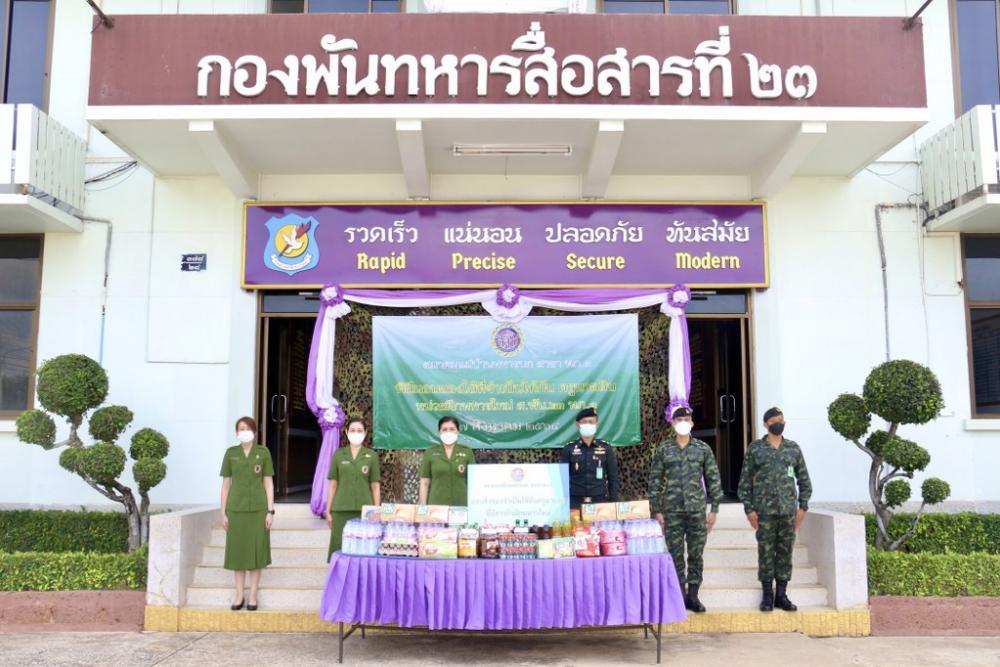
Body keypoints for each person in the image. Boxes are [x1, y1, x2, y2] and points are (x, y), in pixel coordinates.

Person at [647, 405, 723, 613]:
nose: (683, 423)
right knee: (675, 554)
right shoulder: (664, 449)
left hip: (696, 510)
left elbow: (713, 479)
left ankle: (694, 596)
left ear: (692, 423)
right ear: (673, 424)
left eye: (686, 420)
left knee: (696, 554)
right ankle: (679, 595)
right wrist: (657, 510)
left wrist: (714, 509)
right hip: (672, 512)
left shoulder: (702, 449)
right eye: (679, 420)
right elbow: (655, 481)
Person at [738, 406, 813, 612]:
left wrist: (802, 507)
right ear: (765, 424)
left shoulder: (793, 449)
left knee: (785, 553)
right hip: (764, 512)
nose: (778, 423)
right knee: (766, 552)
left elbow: (804, 481)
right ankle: (767, 595)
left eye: (780, 419)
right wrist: (749, 510)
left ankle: (781, 594)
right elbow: (744, 483)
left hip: (788, 512)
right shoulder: (755, 449)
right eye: (773, 420)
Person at [219, 416, 274, 611]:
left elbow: (268, 483)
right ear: (236, 433)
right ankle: (239, 594)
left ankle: (252, 595)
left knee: (257, 553)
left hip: (259, 510)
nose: (244, 432)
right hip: (236, 510)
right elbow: (226, 485)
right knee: (238, 553)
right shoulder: (231, 453)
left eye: (248, 428)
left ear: (254, 431)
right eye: (241, 429)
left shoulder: (263, 452)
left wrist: (270, 511)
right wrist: (223, 513)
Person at [324, 417, 381, 560]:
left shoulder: (372, 456)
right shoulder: (338, 455)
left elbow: (375, 486)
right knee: (339, 545)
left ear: (365, 433)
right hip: (340, 509)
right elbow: (333, 484)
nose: (356, 433)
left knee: (363, 547)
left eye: (359, 430)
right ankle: (338, 574)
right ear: (346, 432)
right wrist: (328, 510)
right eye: (353, 430)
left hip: (365, 511)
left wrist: (377, 510)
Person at [560, 406, 620, 509]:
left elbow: (613, 477)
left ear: (597, 425)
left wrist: (613, 502)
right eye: (584, 422)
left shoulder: (606, 448)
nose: (588, 424)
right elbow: (562, 479)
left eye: (591, 422)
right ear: (578, 424)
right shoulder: (569, 449)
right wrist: (563, 502)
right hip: (575, 503)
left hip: (600, 502)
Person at [418, 416, 474, 506]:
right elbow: (424, 482)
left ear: (458, 431)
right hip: (436, 506)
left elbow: (473, 482)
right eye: (444, 429)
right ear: (439, 432)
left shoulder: (467, 452)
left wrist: (474, 505)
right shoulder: (430, 453)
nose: (448, 432)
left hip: (461, 506)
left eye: (452, 429)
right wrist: (423, 506)